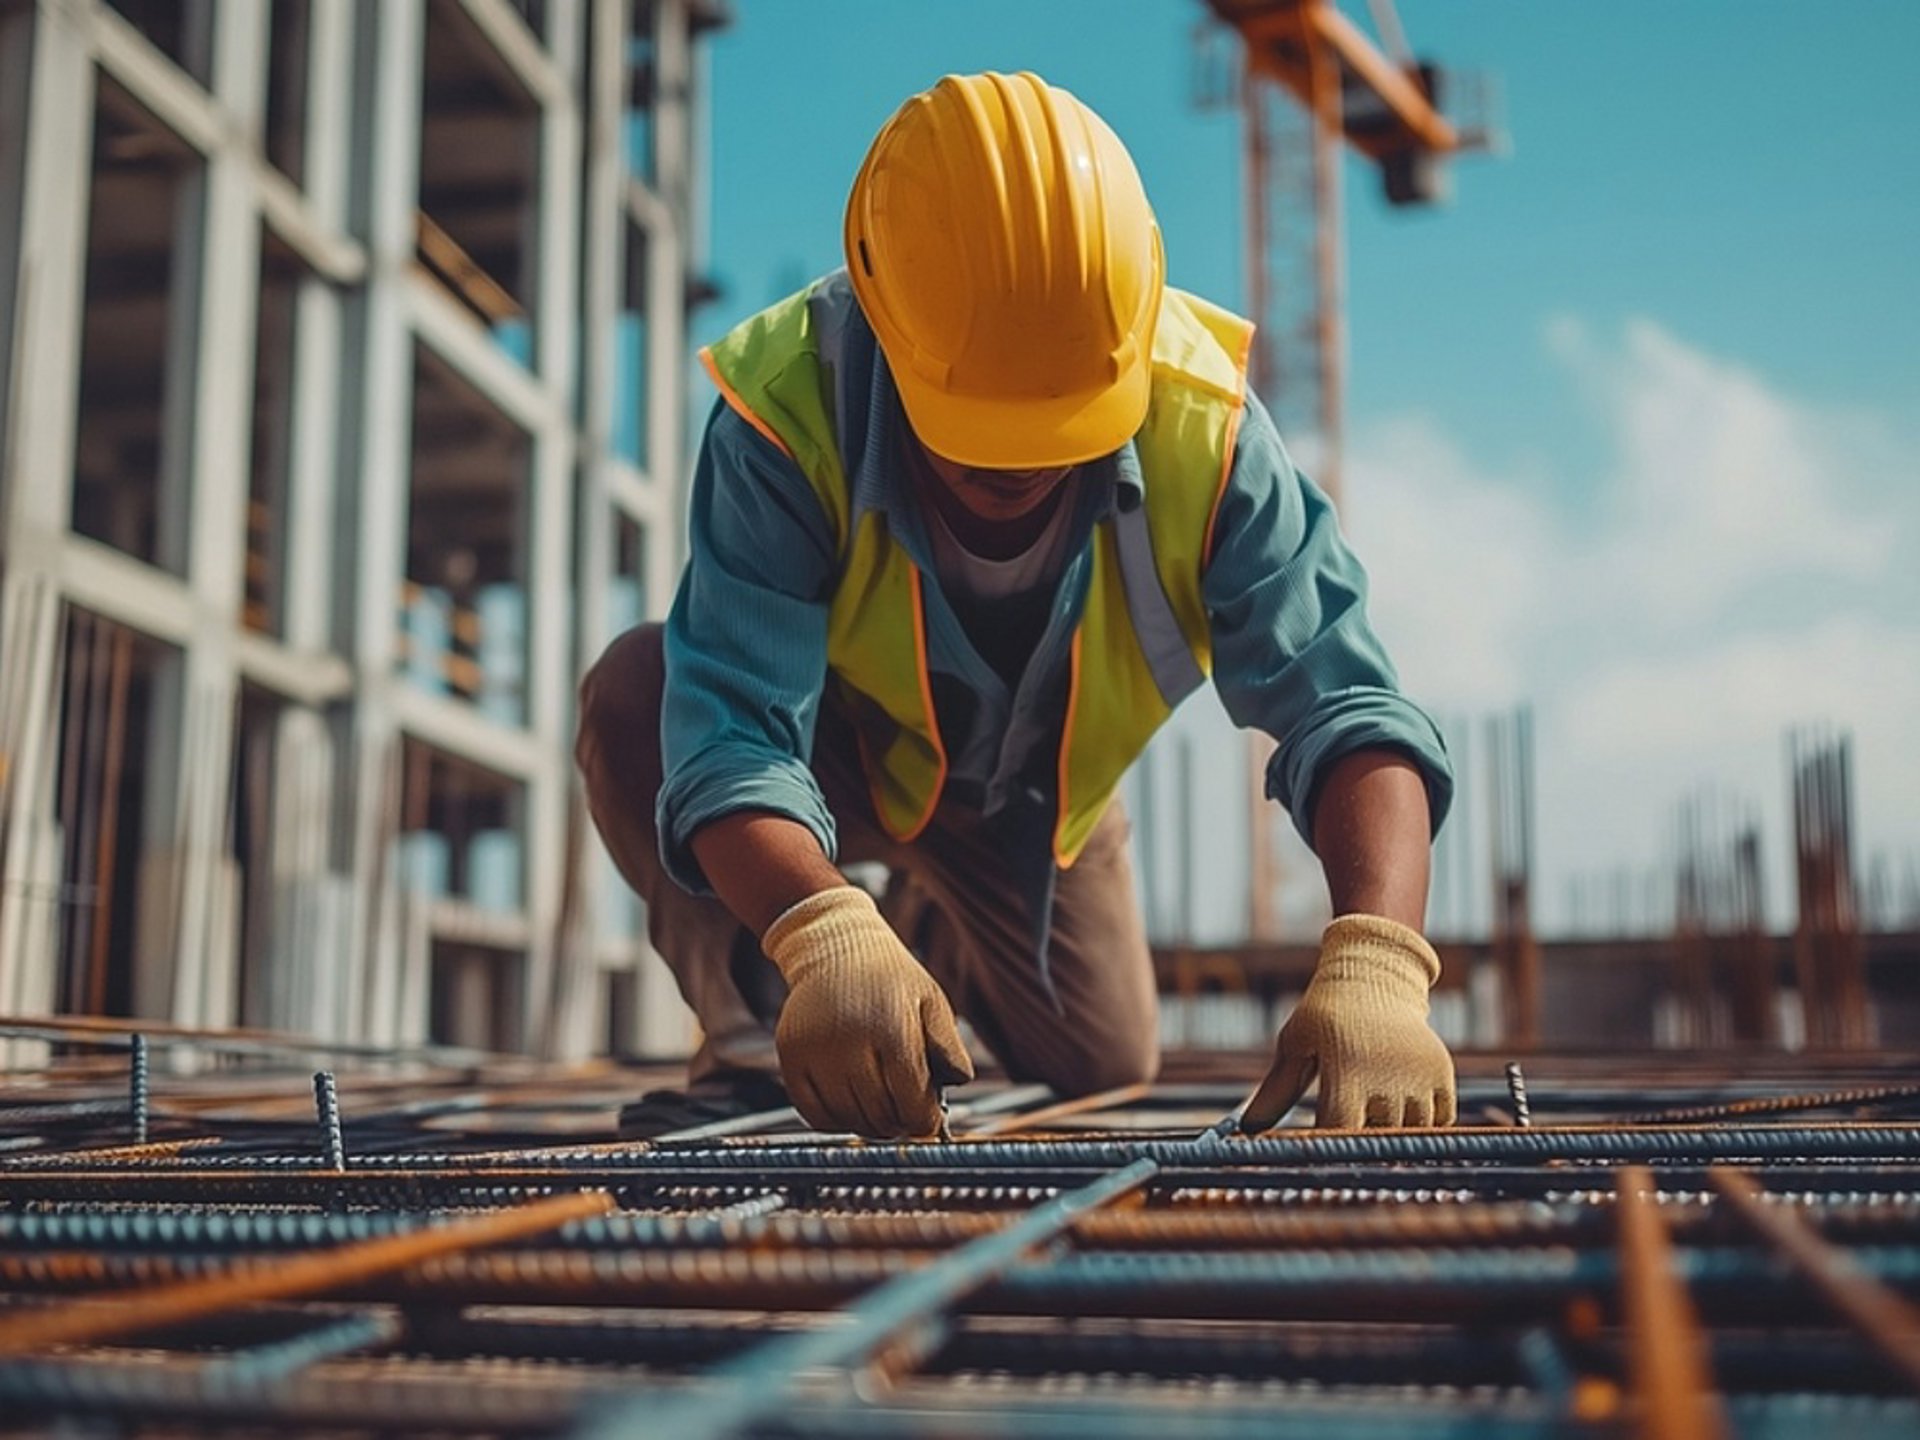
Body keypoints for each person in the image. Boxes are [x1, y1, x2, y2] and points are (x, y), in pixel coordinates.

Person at [575, 71, 1456, 1140]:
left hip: (1032, 799)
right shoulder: (789, 411)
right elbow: (728, 739)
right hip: (835, 758)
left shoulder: (1208, 433)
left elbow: (1349, 706)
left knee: (1103, 1066)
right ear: (887, 326)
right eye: (977, 427)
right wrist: (820, 936)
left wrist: (1379, 959)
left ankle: (924, 935)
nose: (1015, 469)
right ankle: (758, 1037)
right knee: (638, 693)